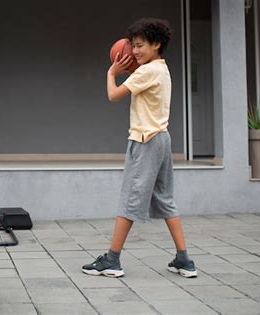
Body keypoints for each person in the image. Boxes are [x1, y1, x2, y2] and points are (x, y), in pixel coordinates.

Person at [82, 18, 197, 279]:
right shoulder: (161, 68)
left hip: (145, 140)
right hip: (162, 139)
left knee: (129, 200)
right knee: (166, 200)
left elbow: (113, 95)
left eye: (139, 45)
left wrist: (111, 73)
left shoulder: (146, 72)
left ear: (156, 44)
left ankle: (112, 260)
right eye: (132, 46)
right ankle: (184, 259)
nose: (133, 51)